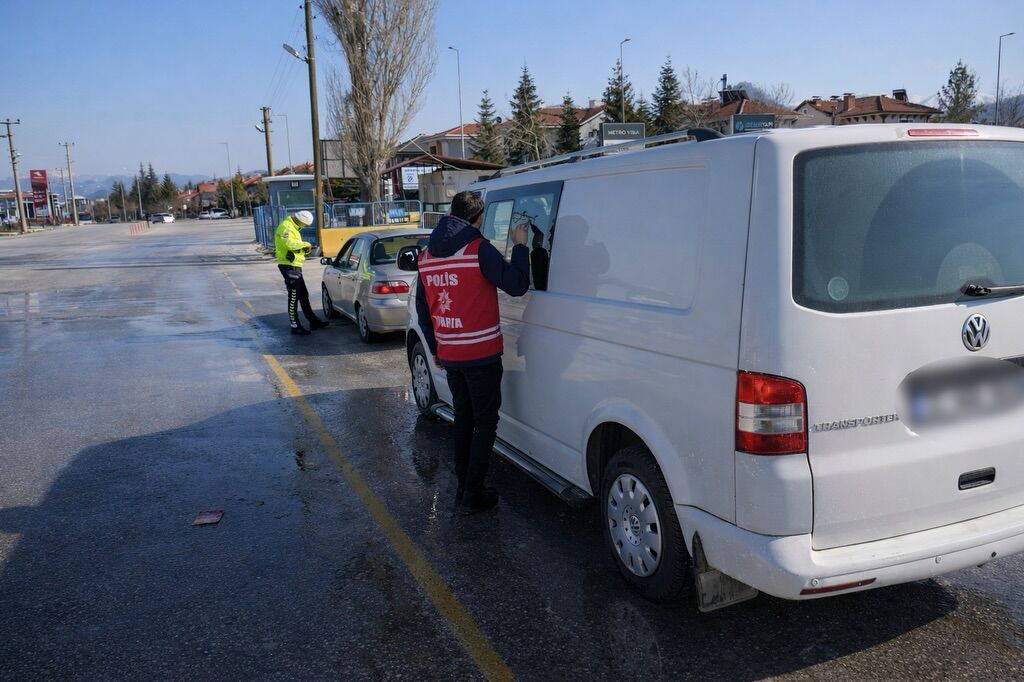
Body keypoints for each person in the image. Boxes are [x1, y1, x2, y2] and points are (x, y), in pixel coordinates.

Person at [416, 191, 530, 515]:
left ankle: (463, 486)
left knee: (464, 420)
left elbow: (424, 311)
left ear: (451, 214)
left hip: (451, 355)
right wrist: (520, 244)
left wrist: (436, 348)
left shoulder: (427, 256)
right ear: (478, 219)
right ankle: (472, 495)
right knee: (485, 423)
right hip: (481, 355)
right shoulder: (478, 250)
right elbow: (518, 284)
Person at [275, 210, 329, 335]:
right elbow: (288, 243)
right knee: (294, 296)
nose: (304, 227)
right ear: (301, 221)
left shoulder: (293, 227)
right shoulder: (286, 227)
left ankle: (312, 320)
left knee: (303, 294)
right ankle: (295, 325)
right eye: (305, 225)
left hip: (295, 266)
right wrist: (305, 244)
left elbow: (294, 248)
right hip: (289, 266)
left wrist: (305, 249)